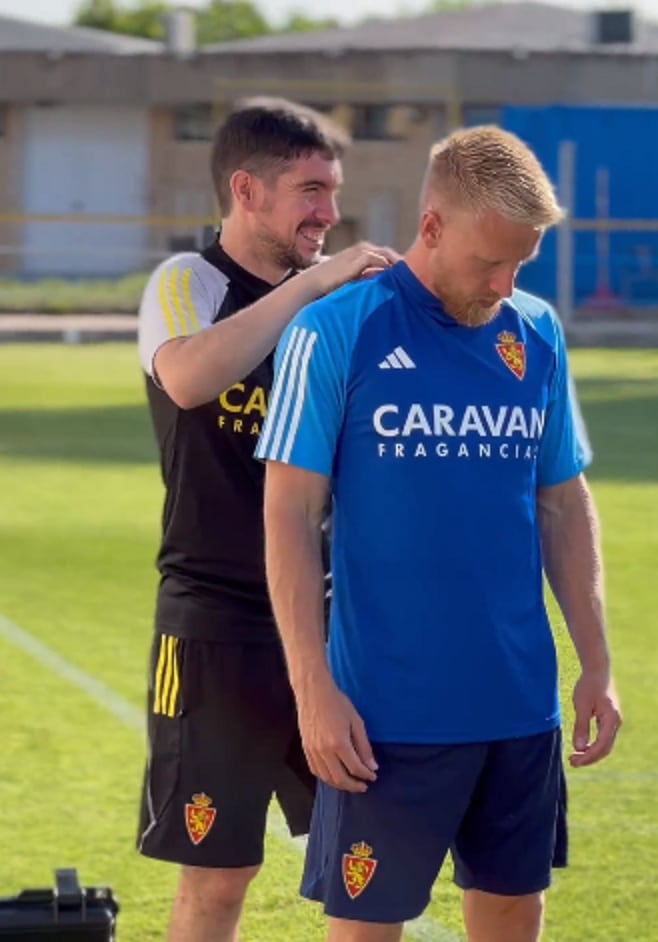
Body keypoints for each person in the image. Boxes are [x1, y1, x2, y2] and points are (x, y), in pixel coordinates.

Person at [256, 125, 622, 942]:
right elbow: (286, 513)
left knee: (512, 922)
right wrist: (313, 689)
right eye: (489, 261)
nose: (504, 282)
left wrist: (595, 661)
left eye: (520, 263)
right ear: (431, 227)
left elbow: (564, 503)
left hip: (518, 709)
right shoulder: (335, 330)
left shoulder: (534, 331)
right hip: (383, 718)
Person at [136, 97, 397, 942]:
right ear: (246, 190)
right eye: (310, 190)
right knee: (219, 881)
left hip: (330, 631)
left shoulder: (337, 314)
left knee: (370, 868)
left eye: (333, 192)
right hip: (212, 626)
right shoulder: (188, 283)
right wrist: (312, 285)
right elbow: (188, 379)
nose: (328, 213)